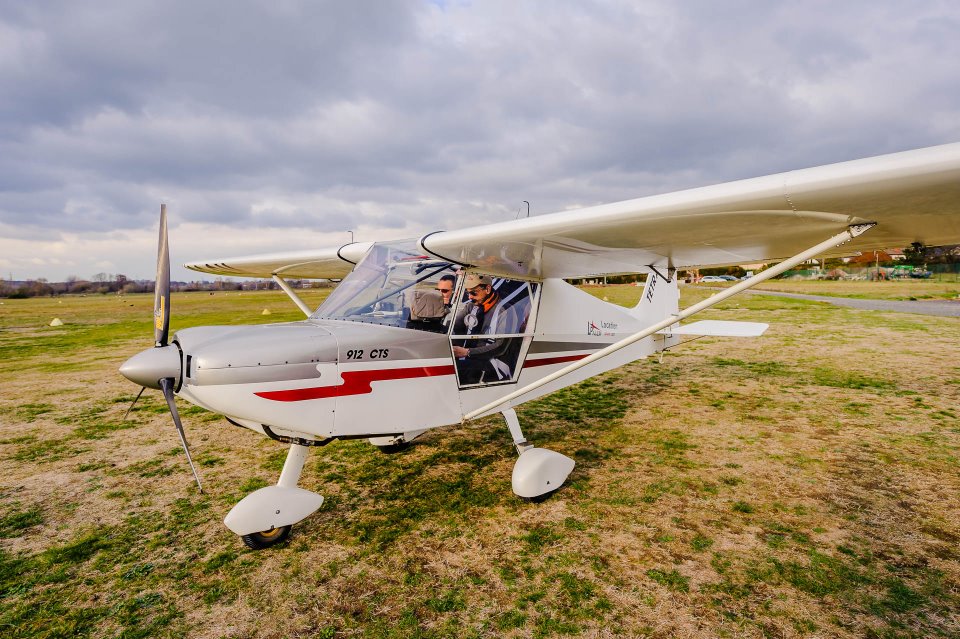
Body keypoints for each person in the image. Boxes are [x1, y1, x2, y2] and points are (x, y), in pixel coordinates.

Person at [452, 274, 524, 384]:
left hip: (496, 363)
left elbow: (500, 347)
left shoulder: (506, 311)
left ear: (487, 289)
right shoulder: (471, 307)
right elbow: (455, 327)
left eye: (473, 292)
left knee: (455, 370)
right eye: (468, 293)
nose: (470, 297)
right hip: (471, 357)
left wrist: (467, 352)